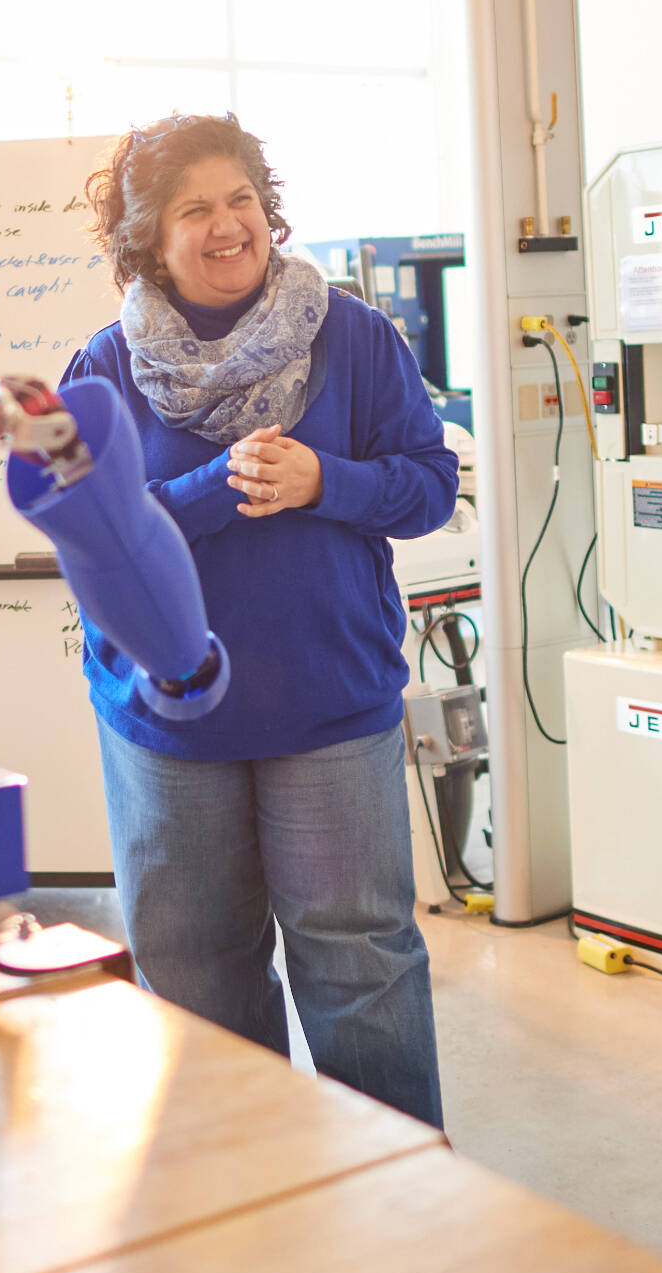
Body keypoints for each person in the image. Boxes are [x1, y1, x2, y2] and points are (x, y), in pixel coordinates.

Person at [63, 113, 456, 1129]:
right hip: (168, 721)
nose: (225, 223)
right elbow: (90, 542)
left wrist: (326, 478)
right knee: (196, 975)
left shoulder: (355, 338)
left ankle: (400, 1187)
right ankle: (243, 1196)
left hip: (326, 703)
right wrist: (218, 486)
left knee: (358, 959)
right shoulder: (99, 371)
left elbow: (425, 486)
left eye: (239, 198)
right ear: (148, 238)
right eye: (193, 208)